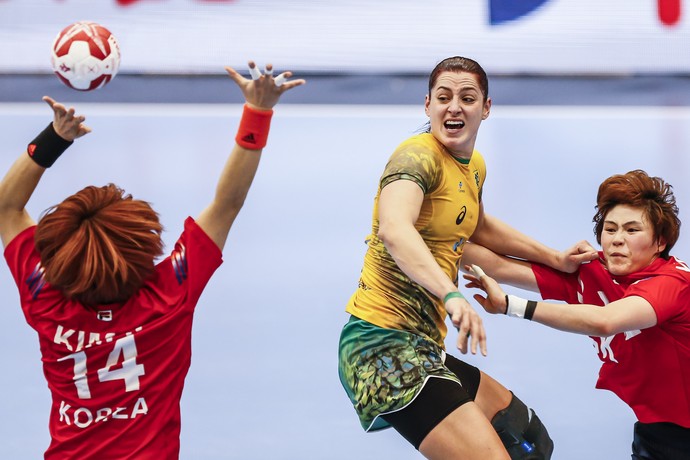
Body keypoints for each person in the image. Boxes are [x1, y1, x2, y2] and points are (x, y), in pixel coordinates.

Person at [0, 61, 304, 459]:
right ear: (142, 247)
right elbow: (227, 205)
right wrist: (258, 112)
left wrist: (54, 138)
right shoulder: (168, 295)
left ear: (58, 252)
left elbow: (7, 208)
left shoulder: (44, 297)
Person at [337, 56, 597, 460]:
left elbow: (476, 227)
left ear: (486, 108)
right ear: (428, 105)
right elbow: (394, 229)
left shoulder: (473, 167)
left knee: (527, 441)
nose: (454, 106)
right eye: (444, 97)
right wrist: (451, 296)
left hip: (423, 347)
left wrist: (555, 258)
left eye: (467, 98)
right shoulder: (415, 159)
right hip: (381, 349)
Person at [462, 169, 690, 460]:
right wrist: (426, 234)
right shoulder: (593, 273)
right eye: (610, 229)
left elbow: (605, 320)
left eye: (632, 230)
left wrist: (510, 305)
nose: (618, 240)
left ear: (660, 242)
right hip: (657, 433)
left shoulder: (672, 283)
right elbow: (497, 266)